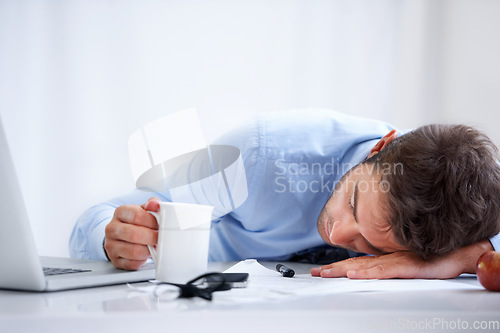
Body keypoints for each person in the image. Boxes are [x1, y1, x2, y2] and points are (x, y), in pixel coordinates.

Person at [70, 109, 500, 279]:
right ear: (380, 148)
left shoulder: (450, 200)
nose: (337, 233)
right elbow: (100, 215)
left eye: (368, 244)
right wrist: (112, 238)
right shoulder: (255, 157)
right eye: (352, 202)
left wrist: (459, 258)